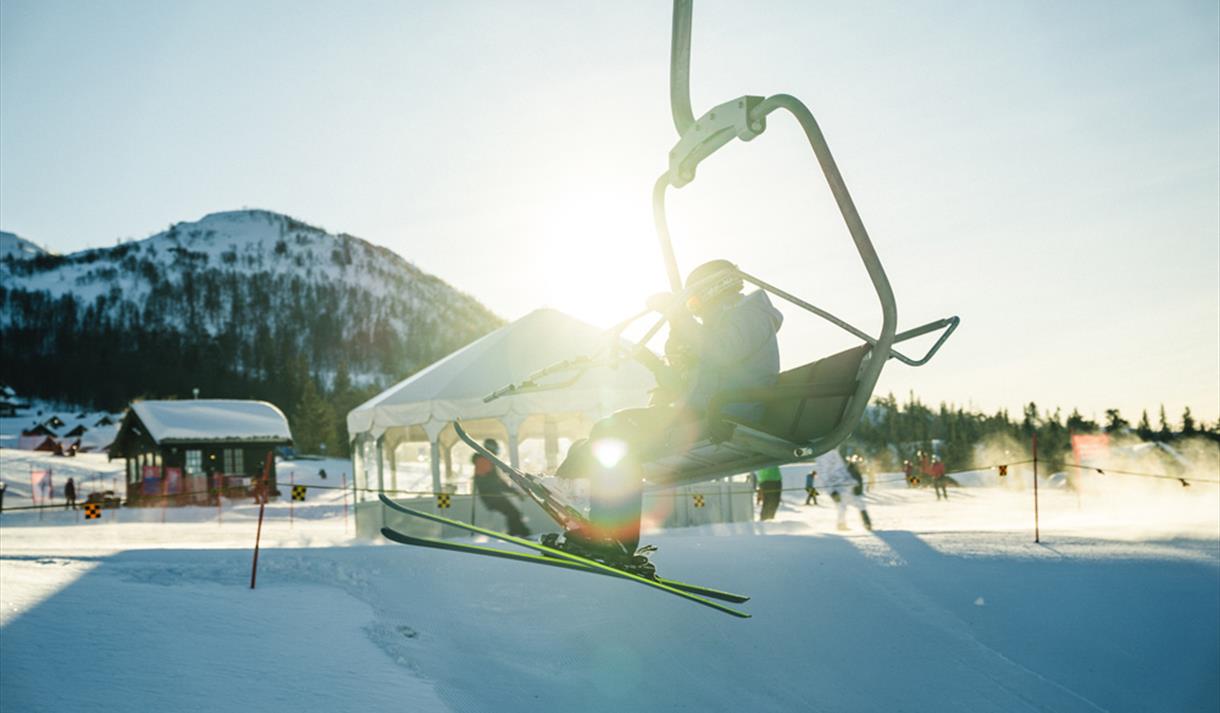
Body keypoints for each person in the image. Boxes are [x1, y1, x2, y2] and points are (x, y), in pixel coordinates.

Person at [555, 259, 784, 560]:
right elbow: (692, 384)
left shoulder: (750, 314)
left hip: (727, 415)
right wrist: (653, 362)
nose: (694, 309)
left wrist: (676, 314)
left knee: (616, 434)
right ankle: (598, 519)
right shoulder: (725, 323)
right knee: (610, 430)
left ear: (714, 288)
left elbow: (722, 351)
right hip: (710, 410)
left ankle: (610, 531)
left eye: (693, 300)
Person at [473, 439, 530, 537]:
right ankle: (519, 533)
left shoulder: (486, 460)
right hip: (491, 496)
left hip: (493, 495)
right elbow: (493, 481)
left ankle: (518, 532)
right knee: (513, 512)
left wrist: (513, 491)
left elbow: (496, 481)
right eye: (495, 448)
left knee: (512, 512)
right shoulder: (483, 460)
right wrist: (514, 492)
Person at [814, 448, 872, 531]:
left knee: (859, 503)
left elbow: (843, 470)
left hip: (846, 485)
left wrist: (853, 483)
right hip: (836, 487)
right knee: (841, 506)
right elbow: (823, 477)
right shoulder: (822, 457)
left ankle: (867, 523)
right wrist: (832, 492)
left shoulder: (835, 453)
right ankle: (841, 525)